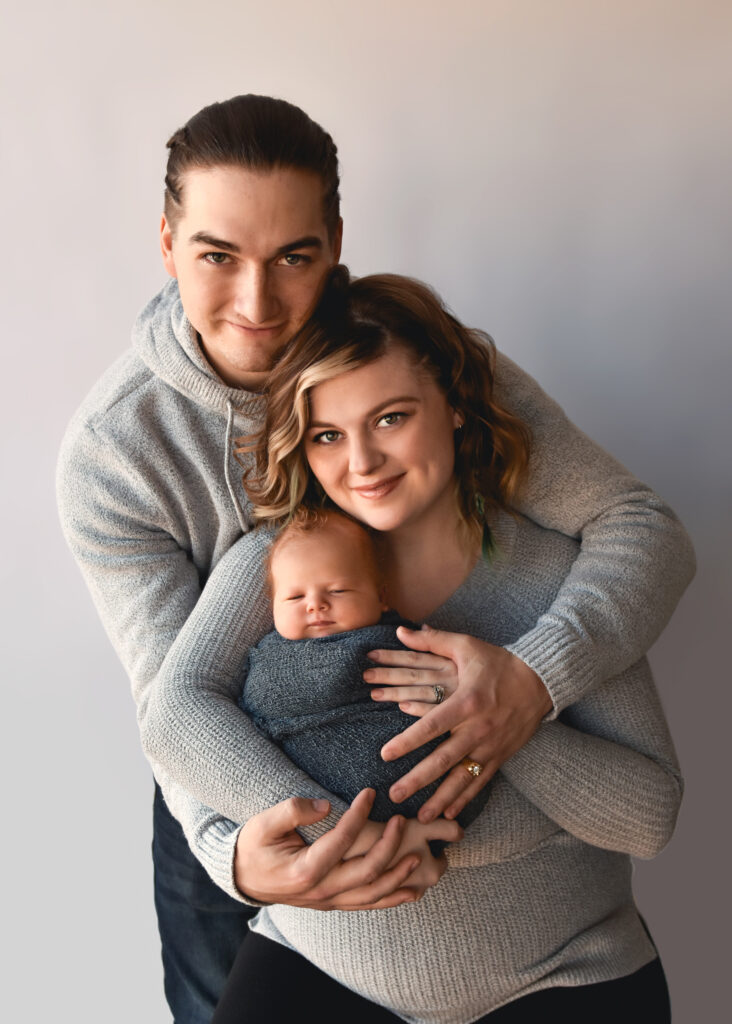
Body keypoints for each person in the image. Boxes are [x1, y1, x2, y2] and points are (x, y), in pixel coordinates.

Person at [56, 94, 694, 1022]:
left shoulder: (413, 354)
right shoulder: (118, 457)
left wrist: (528, 687)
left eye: (294, 258)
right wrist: (249, 851)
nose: (258, 303)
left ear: (336, 243)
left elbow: (638, 528)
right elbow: (176, 703)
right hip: (243, 785)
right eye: (216, 256)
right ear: (167, 244)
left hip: (537, 924)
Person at [145, 269, 684, 1022]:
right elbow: (174, 714)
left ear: (457, 407)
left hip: (559, 972)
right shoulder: (285, 562)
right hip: (321, 957)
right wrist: (340, 837)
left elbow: (649, 817)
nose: (361, 463)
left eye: (391, 418)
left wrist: (501, 722)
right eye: (329, 434)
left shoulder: (555, 576)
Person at [241, 507, 489, 833]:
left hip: (442, 798)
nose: (315, 604)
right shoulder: (272, 659)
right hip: (329, 813)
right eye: (294, 596)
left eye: (337, 590)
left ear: (381, 596)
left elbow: (471, 695)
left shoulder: (410, 638)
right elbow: (261, 701)